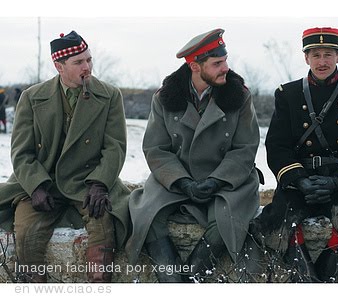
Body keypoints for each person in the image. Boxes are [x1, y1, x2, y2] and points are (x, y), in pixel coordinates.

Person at [125, 28, 262, 283]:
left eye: (225, 61)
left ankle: (190, 278)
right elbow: (156, 149)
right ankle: (173, 281)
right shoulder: (165, 98)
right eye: (217, 63)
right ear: (195, 66)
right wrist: (182, 181)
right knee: (146, 215)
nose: (225, 68)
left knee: (227, 222)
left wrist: (216, 180)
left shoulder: (239, 96)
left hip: (227, 180)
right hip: (177, 178)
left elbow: (245, 148)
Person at [252, 27, 338, 283]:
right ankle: (308, 282)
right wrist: (299, 179)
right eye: (315, 55)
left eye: (328, 54)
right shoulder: (287, 94)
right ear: (306, 58)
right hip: (300, 179)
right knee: (281, 225)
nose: (322, 61)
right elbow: (277, 145)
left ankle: (322, 281)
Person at [0, 31, 131, 283]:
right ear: (59, 66)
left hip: (87, 180)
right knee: (27, 232)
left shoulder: (110, 95)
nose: (87, 67)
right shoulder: (31, 97)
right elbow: (21, 151)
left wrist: (100, 184)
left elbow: (115, 147)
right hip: (42, 180)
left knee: (103, 224)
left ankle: (99, 285)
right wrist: (36, 186)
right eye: (79, 62)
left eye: (89, 60)